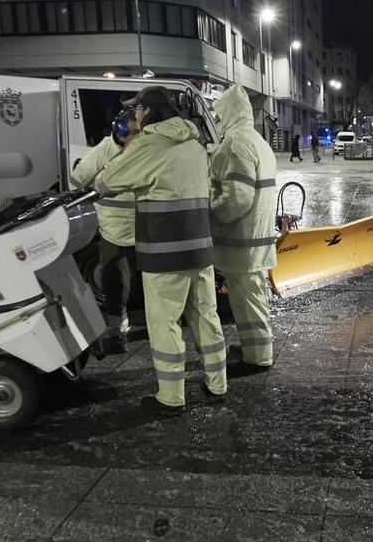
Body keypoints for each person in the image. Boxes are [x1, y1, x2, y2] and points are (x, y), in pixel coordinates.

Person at [94, 86, 227, 415]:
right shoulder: (195, 145)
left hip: (165, 252)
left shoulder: (149, 144)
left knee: (165, 324)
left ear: (147, 111)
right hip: (199, 249)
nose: (134, 116)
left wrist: (132, 148)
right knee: (206, 317)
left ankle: (170, 397)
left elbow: (105, 182)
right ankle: (217, 384)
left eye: (136, 110)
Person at [208, 84, 278, 375]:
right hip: (254, 238)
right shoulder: (257, 141)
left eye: (219, 113)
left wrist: (210, 216)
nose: (217, 119)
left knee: (247, 300)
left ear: (228, 113)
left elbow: (237, 198)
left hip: (241, 241)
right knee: (251, 297)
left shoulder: (236, 144)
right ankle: (254, 347)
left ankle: (258, 356)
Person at [70, 107, 139, 355]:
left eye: (137, 132)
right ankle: (118, 334)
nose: (133, 138)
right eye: (130, 132)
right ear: (119, 130)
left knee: (154, 282)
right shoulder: (104, 150)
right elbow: (78, 179)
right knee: (114, 282)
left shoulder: (143, 149)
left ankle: (162, 328)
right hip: (113, 228)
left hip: (143, 226)